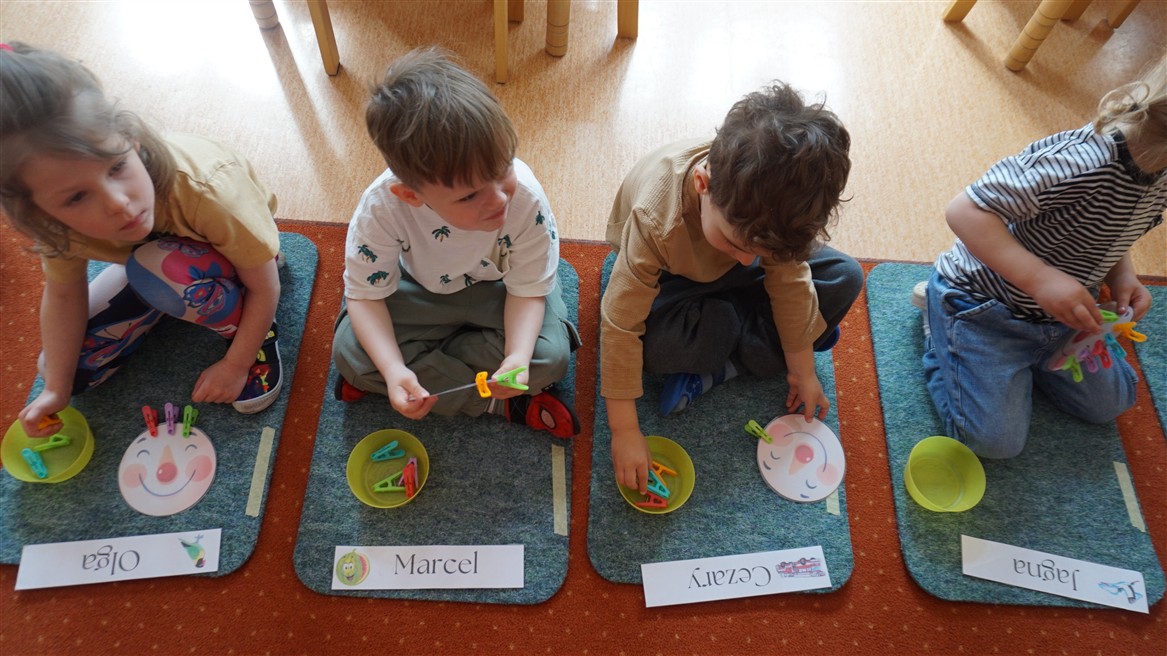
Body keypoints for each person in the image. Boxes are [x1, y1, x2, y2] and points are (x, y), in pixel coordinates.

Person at [0, 42, 284, 436]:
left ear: (131, 138)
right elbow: (63, 293)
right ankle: (158, 289)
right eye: (77, 197)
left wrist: (237, 364)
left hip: (248, 261)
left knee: (160, 266)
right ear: (39, 212)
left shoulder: (204, 188)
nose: (118, 204)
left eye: (117, 166)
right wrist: (56, 388)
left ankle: (249, 329)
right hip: (154, 262)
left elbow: (265, 283)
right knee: (60, 368)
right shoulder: (56, 224)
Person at [601, 82, 864, 493]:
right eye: (735, 244)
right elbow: (620, 324)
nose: (747, 259)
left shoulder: (764, 220)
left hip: (724, 277)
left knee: (845, 276)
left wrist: (803, 371)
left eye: (760, 252)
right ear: (702, 183)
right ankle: (756, 340)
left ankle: (732, 358)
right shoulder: (656, 219)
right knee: (658, 346)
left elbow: (789, 280)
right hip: (673, 279)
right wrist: (624, 430)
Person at [916, 53, 1167, 460]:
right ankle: (938, 325)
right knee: (994, 443)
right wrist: (1040, 279)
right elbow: (965, 210)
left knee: (1113, 402)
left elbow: (1116, 228)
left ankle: (1015, 367)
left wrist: (1123, 276)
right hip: (985, 305)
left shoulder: (1160, 171)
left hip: (1063, 316)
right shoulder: (1083, 161)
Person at [331, 47, 581, 438]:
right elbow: (364, 298)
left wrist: (517, 357)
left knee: (549, 357)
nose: (498, 199)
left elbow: (528, 292)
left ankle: (422, 373)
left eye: (503, 169)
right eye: (469, 196)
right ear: (410, 195)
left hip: (502, 291)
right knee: (351, 351)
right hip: (418, 292)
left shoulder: (526, 200)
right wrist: (394, 369)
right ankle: (498, 401)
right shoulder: (380, 209)